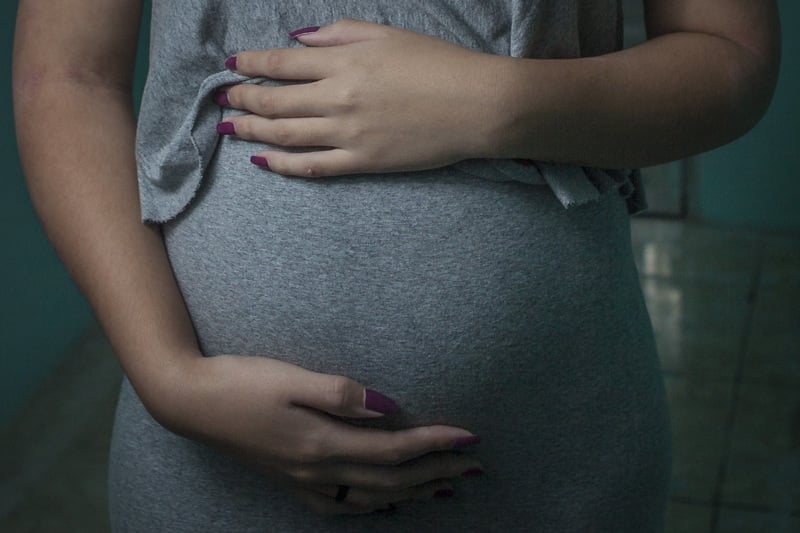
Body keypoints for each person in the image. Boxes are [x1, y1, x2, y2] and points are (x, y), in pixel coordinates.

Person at [13, 0, 780, 531]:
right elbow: (66, 76)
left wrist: (493, 103)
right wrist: (169, 377)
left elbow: (731, 57)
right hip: (216, 468)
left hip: (552, 456)